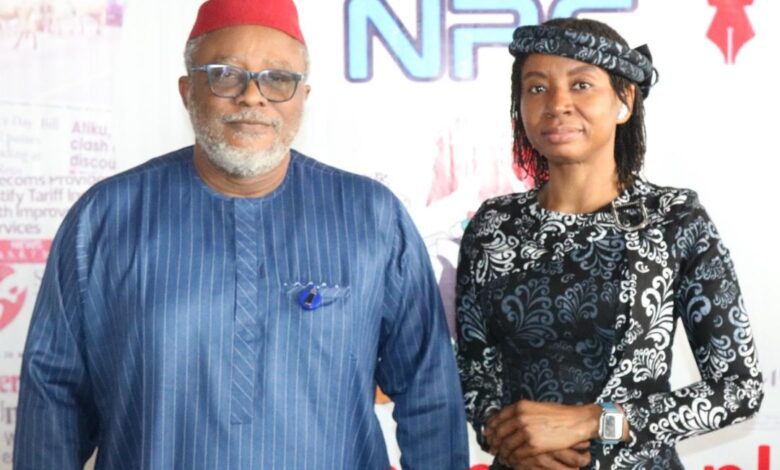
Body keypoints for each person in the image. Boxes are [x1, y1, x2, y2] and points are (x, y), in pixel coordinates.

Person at [13, 0, 469, 468]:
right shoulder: (105, 219)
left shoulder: (372, 218)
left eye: (278, 78)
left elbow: (429, 392)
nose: (253, 96)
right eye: (225, 75)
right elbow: (53, 398)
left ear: (303, 96)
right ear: (187, 91)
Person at [455, 17, 763, 469]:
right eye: (537, 88)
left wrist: (595, 422)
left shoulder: (673, 218)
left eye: (581, 85)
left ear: (625, 100)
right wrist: (511, 439)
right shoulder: (493, 225)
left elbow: (738, 390)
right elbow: (472, 370)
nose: (557, 104)